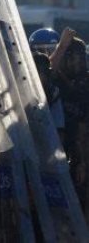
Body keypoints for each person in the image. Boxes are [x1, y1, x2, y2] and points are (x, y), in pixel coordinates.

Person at [50, 29, 88, 209]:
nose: (77, 62)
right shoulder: (57, 82)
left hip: (78, 149)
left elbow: (81, 128)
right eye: (72, 57)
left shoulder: (84, 83)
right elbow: (48, 73)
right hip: (57, 150)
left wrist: (81, 160)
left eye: (81, 57)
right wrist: (62, 46)